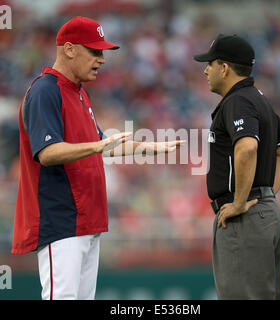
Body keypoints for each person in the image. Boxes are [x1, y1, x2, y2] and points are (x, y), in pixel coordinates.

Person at [11, 16, 184, 300]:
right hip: (61, 220)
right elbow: (47, 152)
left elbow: (103, 144)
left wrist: (149, 147)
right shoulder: (45, 91)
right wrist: (95, 147)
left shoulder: (79, 92)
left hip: (87, 221)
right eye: (95, 51)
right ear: (69, 49)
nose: (101, 59)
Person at [194, 34, 280, 299]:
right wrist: (267, 195)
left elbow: (247, 147)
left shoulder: (238, 100)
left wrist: (240, 202)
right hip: (264, 211)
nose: (206, 70)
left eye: (210, 64)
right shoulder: (258, 98)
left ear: (224, 68)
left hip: (244, 217)